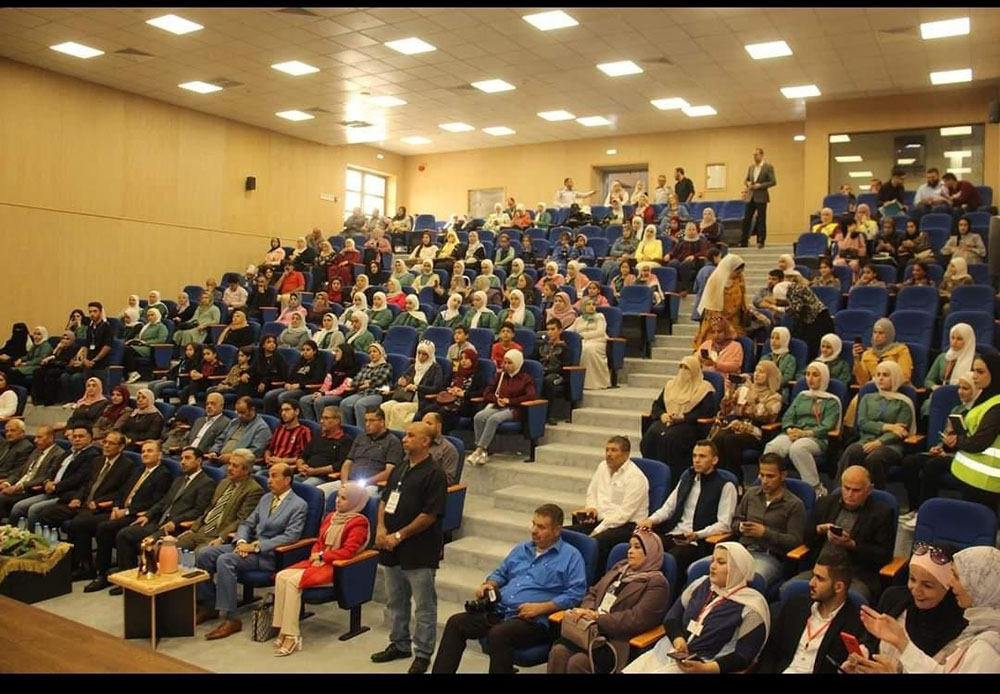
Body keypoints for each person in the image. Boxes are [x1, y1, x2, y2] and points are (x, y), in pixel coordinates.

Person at [432, 503, 587, 675]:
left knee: (498, 634)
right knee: (456, 623)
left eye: (541, 527)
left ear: (557, 530)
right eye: (533, 524)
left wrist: (542, 607)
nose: (534, 531)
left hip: (534, 620)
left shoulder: (571, 557)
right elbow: (501, 573)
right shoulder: (522, 549)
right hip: (501, 610)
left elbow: (576, 594)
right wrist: (490, 584)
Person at [196, 463, 307, 640]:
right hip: (246, 547)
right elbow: (247, 523)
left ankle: (232, 619)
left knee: (225, 560)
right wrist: (241, 541)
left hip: (268, 555)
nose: (269, 480)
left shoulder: (298, 505)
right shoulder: (266, 498)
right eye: (269, 476)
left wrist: (255, 547)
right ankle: (209, 605)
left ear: (287, 480)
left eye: (274, 476)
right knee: (204, 553)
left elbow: (290, 537)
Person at [371, 422, 448, 675]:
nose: (404, 439)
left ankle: (423, 654)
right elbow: (384, 500)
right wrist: (381, 528)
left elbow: (430, 515)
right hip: (390, 546)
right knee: (395, 600)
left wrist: (399, 535)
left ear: (425, 442)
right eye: (405, 435)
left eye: (411, 436)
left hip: (419, 549)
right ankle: (399, 643)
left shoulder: (434, 473)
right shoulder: (401, 467)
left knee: (424, 606)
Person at [623, 542, 769, 674]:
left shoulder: (752, 606)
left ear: (738, 568)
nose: (713, 566)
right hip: (670, 650)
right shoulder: (701, 584)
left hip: (705, 664)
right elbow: (672, 617)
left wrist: (707, 669)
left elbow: (743, 656)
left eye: (721, 562)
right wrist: (678, 639)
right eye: (713, 561)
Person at [849, 546, 1000, 674]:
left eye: (957, 577)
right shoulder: (894, 600)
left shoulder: (986, 648)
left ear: (980, 587)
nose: (951, 583)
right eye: (912, 579)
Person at [547, 531, 669, 674]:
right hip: (588, 630)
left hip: (617, 640)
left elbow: (637, 619)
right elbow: (593, 592)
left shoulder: (657, 583)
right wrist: (588, 611)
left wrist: (598, 618)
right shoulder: (620, 568)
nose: (630, 551)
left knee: (578, 662)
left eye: (637, 547)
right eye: (630, 547)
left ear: (651, 552)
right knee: (558, 651)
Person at [271, 482, 370, 656]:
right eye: (338, 496)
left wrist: (323, 557)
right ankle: (281, 629)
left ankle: (292, 635)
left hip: (337, 568)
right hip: (319, 562)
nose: (338, 501)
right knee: (281, 576)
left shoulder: (359, 523)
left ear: (354, 501)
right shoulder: (331, 516)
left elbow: (348, 551)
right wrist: (315, 554)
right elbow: (319, 541)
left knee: (293, 582)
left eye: (344, 498)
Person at [80, 440, 176, 593]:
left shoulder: (163, 475)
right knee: (86, 523)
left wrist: (126, 512)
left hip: (139, 515)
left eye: (149, 451)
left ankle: (121, 576)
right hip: (121, 510)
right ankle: (100, 572)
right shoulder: (139, 470)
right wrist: (116, 506)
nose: (145, 454)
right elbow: (122, 491)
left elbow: (155, 502)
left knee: (107, 528)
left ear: (159, 455)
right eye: (143, 451)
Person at [637, 440, 737, 577]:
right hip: (674, 534)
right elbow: (668, 508)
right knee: (643, 547)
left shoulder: (725, 485)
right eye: (694, 456)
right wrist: (650, 520)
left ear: (714, 460)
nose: (697, 460)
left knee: (672, 557)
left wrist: (698, 534)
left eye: (702, 456)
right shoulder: (687, 477)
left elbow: (724, 524)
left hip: (697, 542)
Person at [41, 431, 134, 579]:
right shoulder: (98, 461)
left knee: (79, 523)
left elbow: (121, 492)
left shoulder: (127, 466)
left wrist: (97, 503)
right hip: (84, 502)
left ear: (121, 447)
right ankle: (59, 557)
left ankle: (85, 566)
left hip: (102, 507)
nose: (106, 446)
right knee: (48, 514)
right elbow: (86, 484)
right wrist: (78, 497)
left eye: (111, 443)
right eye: (105, 442)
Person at [757, 548, 864, 674]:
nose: (811, 583)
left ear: (838, 587)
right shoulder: (795, 605)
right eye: (813, 576)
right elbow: (770, 654)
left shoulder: (855, 622)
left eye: (819, 579)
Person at [800, 465, 893, 601]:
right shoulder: (825, 503)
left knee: (853, 599)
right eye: (846, 488)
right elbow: (806, 540)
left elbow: (883, 555)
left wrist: (852, 545)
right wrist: (820, 530)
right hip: (819, 570)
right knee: (789, 589)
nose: (850, 494)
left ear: (869, 490)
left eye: (856, 490)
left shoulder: (882, 513)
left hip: (856, 575)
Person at [900, 373, 977, 522]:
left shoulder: (981, 413)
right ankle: (914, 508)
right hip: (947, 452)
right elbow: (947, 435)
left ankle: (926, 513)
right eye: (960, 388)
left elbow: (976, 442)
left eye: (965, 389)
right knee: (910, 461)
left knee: (933, 465)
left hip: (965, 456)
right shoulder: (957, 409)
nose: (960, 392)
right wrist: (940, 447)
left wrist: (951, 450)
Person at [568, 436, 649, 572]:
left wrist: (597, 530)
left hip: (626, 525)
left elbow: (624, 514)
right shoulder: (602, 467)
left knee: (596, 542)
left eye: (614, 450)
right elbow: (592, 492)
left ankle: (592, 578)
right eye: (607, 450)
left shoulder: (636, 478)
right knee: (566, 534)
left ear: (626, 454)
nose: (609, 454)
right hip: (602, 520)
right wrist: (592, 508)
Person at [764, 361, 842, 497]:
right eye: (808, 374)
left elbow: (827, 426)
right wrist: (789, 429)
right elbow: (788, 417)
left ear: (824, 377)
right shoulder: (802, 396)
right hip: (793, 433)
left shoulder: (832, 401)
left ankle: (815, 488)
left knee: (798, 449)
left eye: (815, 375)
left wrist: (805, 433)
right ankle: (770, 485)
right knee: (773, 447)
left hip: (816, 438)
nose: (810, 378)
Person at [732, 454, 806, 587]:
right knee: (700, 569)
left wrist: (765, 533)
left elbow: (795, 541)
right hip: (742, 550)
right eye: (762, 475)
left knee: (750, 580)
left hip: (769, 556)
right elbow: (734, 523)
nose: (765, 481)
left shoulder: (794, 504)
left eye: (770, 476)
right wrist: (741, 527)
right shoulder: (751, 495)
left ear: (783, 475)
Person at [639, 356, 716, 479]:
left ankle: (672, 477)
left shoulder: (704, 389)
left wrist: (683, 417)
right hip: (667, 420)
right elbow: (657, 405)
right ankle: (650, 474)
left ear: (695, 370)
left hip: (688, 424)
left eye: (687, 368)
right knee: (652, 434)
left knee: (671, 438)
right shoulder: (671, 385)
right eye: (681, 367)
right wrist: (662, 415)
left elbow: (705, 412)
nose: (683, 371)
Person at [7, 426, 95, 529]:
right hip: (51, 490)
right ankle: (11, 535)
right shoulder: (69, 452)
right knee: (18, 507)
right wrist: (47, 482)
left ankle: (33, 537)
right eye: (75, 436)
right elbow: (52, 471)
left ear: (90, 438)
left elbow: (77, 479)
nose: (77, 439)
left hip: (65, 494)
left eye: (81, 436)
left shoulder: (92, 455)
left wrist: (55, 487)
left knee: (34, 510)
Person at [710, 361, 782, 479]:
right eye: (756, 371)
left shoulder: (774, 397)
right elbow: (726, 411)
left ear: (769, 376)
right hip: (738, 425)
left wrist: (752, 396)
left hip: (758, 431)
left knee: (730, 440)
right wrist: (729, 391)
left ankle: (735, 478)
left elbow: (762, 415)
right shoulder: (744, 390)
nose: (757, 374)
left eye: (761, 372)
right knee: (719, 437)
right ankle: (719, 476)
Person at [950, 353, 1000, 513]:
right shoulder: (987, 397)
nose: (974, 376)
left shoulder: (997, 406)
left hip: (986, 481)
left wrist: (957, 440)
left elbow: (979, 442)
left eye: (980, 372)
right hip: (972, 476)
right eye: (973, 371)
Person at [468, 349, 536, 466]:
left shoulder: (525, 378)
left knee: (493, 419)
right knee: (478, 417)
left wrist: (510, 401)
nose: (506, 366)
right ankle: (483, 452)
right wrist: (497, 400)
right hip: (498, 406)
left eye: (510, 363)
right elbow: (487, 393)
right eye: (505, 362)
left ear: (517, 363)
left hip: (514, 409)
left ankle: (479, 450)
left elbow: (531, 396)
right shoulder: (501, 376)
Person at [322, 407, 404, 498]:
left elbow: (389, 471)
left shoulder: (392, 442)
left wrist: (365, 482)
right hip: (349, 481)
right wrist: (344, 483)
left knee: (352, 498)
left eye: (371, 420)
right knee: (320, 492)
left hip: (371, 485)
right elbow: (347, 463)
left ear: (382, 422)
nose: (367, 424)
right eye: (366, 420)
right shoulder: (361, 437)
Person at [692, 254, 759, 348]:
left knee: (747, 344)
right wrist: (727, 328)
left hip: (736, 322)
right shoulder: (715, 281)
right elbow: (713, 310)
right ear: (729, 269)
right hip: (718, 322)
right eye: (737, 272)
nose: (739, 275)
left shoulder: (739, 279)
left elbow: (743, 297)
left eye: (740, 272)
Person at [0, 426, 64, 523]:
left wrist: (19, 487)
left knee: (12, 504)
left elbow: (47, 476)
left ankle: (12, 529)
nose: (35, 440)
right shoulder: (37, 450)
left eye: (39, 437)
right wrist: (7, 483)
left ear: (50, 438)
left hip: (33, 489)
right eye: (35, 437)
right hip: (19, 485)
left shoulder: (58, 454)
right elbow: (21, 470)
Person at [420, 348, 485, 436]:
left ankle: (440, 437)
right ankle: (425, 434)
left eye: (466, 358)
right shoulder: (457, 373)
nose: (463, 361)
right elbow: (443, 387)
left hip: (463, 404)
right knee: (426, 410)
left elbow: (481, 392)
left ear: (473, 360)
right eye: (461, 358)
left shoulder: (478, 376)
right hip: (448, 400)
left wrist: (463, 393)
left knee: (442, 413)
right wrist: (450, 390)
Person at [380, 340, 443, 431]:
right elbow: (398, 383)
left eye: (424, 354)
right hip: (405, 398)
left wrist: (417, 387)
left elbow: (436, 388)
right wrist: (400, 382)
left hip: (420, 401)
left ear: (430, 355)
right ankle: (384, 433)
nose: (421, 356)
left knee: (398, 409)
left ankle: (397, 435)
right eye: (419, 353)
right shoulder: (413, 367)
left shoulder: (435, 368)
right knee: (384, 407)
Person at [771, 281, 835, 362]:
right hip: (810, 319)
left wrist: (777, 309)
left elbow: (796, 308)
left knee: (814, 344)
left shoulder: (794, 291)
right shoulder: (796, 287)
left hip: (818, 320)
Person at [61, 302, 113, 402]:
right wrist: (84, 359)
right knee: (88, 392)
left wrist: (95, 360)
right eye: (90, 312)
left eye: (95, 311)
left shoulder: (107, 327)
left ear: (100, 312)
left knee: (103, 393)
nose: (92, 314)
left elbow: (107, 347)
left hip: (101, 365)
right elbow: (86, 345)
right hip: (88, 364)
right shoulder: (90, 328)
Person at [294, 407, 354, 488]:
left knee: (304, 487)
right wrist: (301, 466)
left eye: (326, 418)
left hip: (323, 477)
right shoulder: (318, 436)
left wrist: (314, 471)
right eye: (322, 418)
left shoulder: (345, 440)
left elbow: (339, 466)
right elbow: (302, 456)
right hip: (305, 473)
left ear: (337, 421)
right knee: (284, 482)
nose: (321, 421)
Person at [339, 343, 393, 427]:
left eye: (374, 351)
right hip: (362, 393)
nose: (372, 354)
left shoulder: (386, 366)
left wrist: (368, 383)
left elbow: (378, 381)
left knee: (360, 405)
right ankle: (348, 429)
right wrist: (365, 383)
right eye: (370, 352)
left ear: (381, 353)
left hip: (377, 394)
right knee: (344, 403)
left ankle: (362, 431)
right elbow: (354, 381)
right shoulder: (366, 367)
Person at [206, 396, 272, 465]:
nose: (239, 415)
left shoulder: (262, 428)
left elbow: (255, 451)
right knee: (204, 466)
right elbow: (220, 439)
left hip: (239, 463)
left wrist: (233, 456)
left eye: (242, 412)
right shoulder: (234, 422)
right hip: (220, 458)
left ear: (252, 410)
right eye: (237, 412)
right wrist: (214, 452)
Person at [852, 317, 913, 388]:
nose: (876, 336)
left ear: (889, 335)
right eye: (875, 332)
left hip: (897, 388)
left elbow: (905, 376)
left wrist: (880, 381)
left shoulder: (901, 350)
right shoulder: (867, 354)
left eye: (881, 333)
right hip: (874, 389)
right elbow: (863, 381)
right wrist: (857, 360)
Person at [567, 297, 611, 390]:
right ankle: (582, 382)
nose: (591, 306)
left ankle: (596, 383)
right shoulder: (579, 319)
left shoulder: (600, 317)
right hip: (583, 341)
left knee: (588, 349)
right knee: (581, 348)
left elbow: (600, 332)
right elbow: (570, 330)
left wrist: (582, 336)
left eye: (593, 304)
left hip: (598, 341)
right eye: (588, 304)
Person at [740, 147, 776, 248]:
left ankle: (761, 240)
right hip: (751, 196)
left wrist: (760, 185)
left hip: (761, 196)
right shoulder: (751, 167)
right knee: (746, 219)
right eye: (753, 155)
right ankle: (743, 241)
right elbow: (746, 179)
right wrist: (748, 183)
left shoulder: (768, 167)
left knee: (761, 219)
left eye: (756, 155)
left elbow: (773, 181)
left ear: (761, 155)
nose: (754, 157)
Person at [537, 319, 570, 424]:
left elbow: (564, 367)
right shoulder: (543, 346)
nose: (550, 332)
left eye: (553, 329)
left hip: (557, 375)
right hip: (542, 372)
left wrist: (547, 370)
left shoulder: (564, 348)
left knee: (548, 381)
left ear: (560, 331)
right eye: (548, 330)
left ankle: (550, 415)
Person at [264, 400, 313, 470]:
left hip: (288, 469)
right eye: (282, 410)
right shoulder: (279, 429)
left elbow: (305, 457)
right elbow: (269, 449)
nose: (283, 413)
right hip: (271, 466)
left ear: (297, 412)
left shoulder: (304, 431)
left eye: (287, 410)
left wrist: (282, 461)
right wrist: (268, 458)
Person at [0, 419, 34, 484]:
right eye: (6, 431)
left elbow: (18, 471)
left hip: (5, 479)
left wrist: (7, 481)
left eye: (13, 430)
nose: (8, 434)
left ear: (22, 432)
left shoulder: (26, 447)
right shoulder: (6, 444)